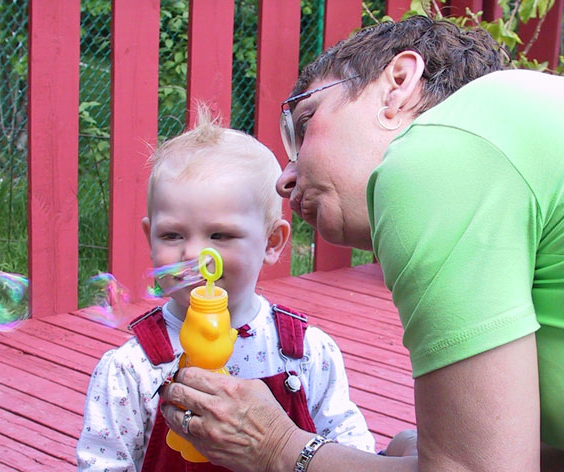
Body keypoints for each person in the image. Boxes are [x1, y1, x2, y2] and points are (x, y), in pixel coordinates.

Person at [158, 15, 564, 472]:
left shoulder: (438, 155)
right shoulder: (518, 137)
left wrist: (275, 446)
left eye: (305, 124)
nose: (284, 179)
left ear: (398, 83)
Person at [76, 109, 378, 471]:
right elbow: (104, 463)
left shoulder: (304, 352)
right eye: (172, 235)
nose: (194, 254)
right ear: (149, 238)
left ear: (272, 242)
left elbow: (347, 444)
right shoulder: (134, 367)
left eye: (220, 235)